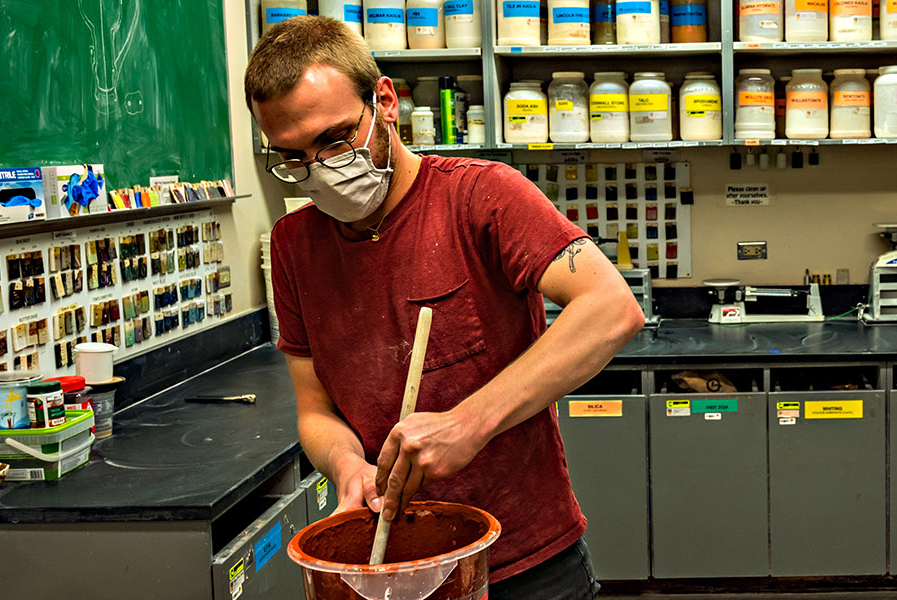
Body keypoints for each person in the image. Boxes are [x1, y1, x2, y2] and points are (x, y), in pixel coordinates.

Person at [247, 16, 645, 599]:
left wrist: (470, 422)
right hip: (397, 570)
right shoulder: (293, 247)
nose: (321, 170)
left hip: (526, 560)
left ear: (384, 101)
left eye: (334, 141)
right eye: (294, 156)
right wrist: (346, 465)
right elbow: (314, 409)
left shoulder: (481, 196)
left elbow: (611, 308)